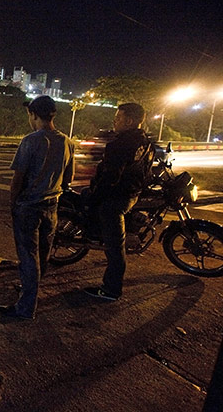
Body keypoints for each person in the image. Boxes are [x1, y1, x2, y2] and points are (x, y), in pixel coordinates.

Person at [0, 96, 75, 320]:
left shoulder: (30, 140)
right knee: (43, 254)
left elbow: (17, 179)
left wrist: (13, 204)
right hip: (52, 207)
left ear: (33, 115)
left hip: (29, 206)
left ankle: (25, 307)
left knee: (28, 257)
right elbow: (68, 178)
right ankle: (30, 293)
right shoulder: (68, 142)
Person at [84, 102, 153, 301]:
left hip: (115, 200)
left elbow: (110, 178)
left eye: (118, 117)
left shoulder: (119, 145)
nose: (114, 121)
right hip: (132, 194)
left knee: (115, 248)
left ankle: (111, 289)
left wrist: (94, 197)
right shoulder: (145, 142)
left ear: (129, 121)